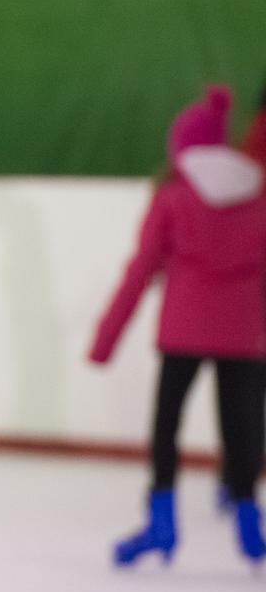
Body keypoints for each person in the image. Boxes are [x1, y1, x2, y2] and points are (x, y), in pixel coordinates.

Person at [89, 85, 266, 567]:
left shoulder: (173, 198)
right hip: (242, 333)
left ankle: (161, 522)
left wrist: (106, 339)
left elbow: (141, 270)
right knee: (242, 429)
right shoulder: (259, 193)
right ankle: (251, 522)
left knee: (167, 425)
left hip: (182, 330)